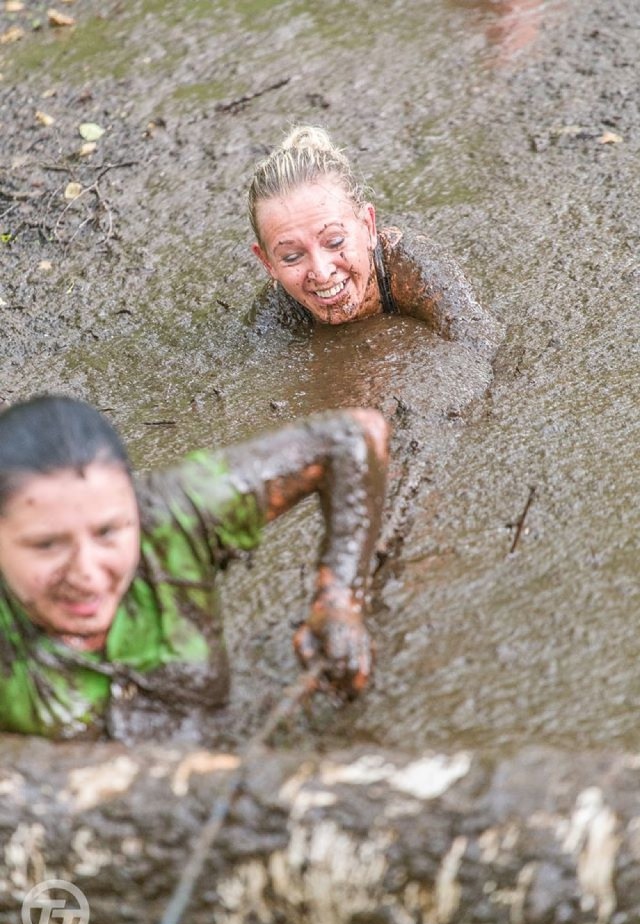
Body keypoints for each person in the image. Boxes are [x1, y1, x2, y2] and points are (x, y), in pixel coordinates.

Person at [0, 395, 388, 741]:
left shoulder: (173, 520)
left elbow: (352, 437)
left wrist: (339, 601)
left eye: (108, 532)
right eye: (47, 544)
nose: (87, 573)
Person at [247, 125, 502, 358]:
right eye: (292, 257)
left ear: (368, 226)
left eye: (334, 242)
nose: (322, 273)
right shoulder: (276, 309)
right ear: (268, 263)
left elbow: (480, 343)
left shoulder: (411, 268)